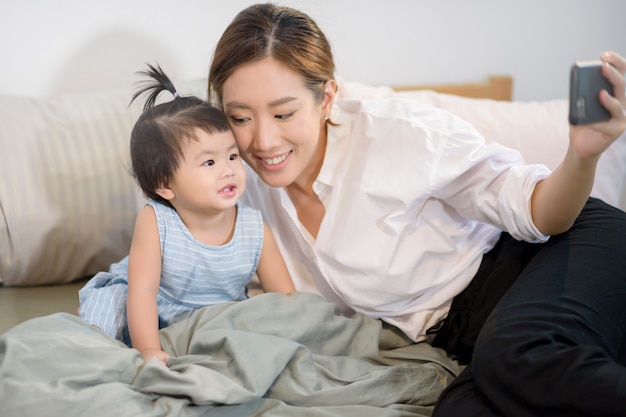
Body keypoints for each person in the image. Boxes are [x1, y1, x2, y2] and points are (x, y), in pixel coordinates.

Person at [206, 3, 626, 416]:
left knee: (518, 356)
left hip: (552, 250)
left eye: (283, 113)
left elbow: (540, 214)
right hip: (464, 337)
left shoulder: (399, 135)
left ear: (327, 97)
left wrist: (582, 155)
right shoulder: (241, 195)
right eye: (240, 118)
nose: (261, 141)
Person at [79, 63, 295, 365]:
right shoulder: (156, 221)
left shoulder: (254, 228)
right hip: (148, 311)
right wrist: (149, 349)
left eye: (232, 155)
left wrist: (292, 332)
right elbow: (142, 292)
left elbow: (286, 300)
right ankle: (94, 352)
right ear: (165, 184)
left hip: (215, 317)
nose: (228, 170)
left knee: (252, 322)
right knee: (111, 305)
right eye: (209, 163)